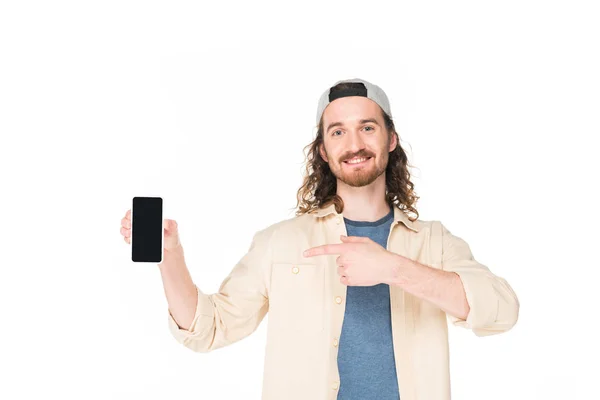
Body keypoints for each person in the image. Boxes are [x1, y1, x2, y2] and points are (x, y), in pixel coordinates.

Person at [119, 78, 520, 400]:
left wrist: (392, 268)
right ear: (324, 152)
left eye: (367, 127)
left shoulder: (435, 243)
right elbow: (208, 329)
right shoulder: (279, 242)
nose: (354, 144)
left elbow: (501, 311)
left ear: (391, 139)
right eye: (338, 132)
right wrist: (170, 256)